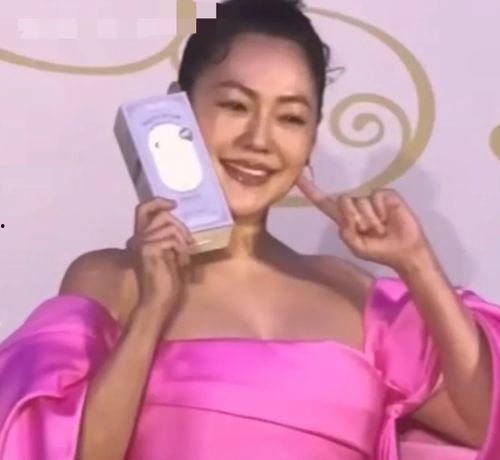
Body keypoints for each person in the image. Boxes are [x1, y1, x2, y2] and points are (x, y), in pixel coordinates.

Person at [0, 0, 499, 459]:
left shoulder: (354, 295)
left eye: (291, 117)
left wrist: (416, 263)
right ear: (177, 110)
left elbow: (485, 424)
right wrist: (153, 312)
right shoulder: (115, 282)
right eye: (236, 106)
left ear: (311, 138)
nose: (260, 139)